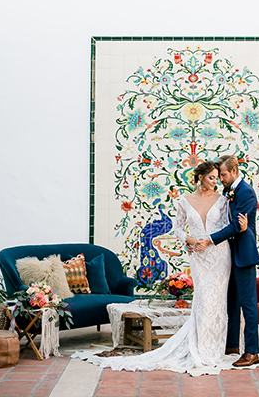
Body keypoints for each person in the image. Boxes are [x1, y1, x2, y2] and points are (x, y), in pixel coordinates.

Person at [88, 160, 247, 374]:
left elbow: (228, 226)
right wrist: (192, 242)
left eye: (217, 177)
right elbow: (178, 229)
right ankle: (200, 346)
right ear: (200, 178)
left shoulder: (223, 200)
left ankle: (213, 348)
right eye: (211, 177)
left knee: (216, 302)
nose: (215, 182)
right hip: (198, 257)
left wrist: (224, 234)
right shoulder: (184, 201)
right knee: (203, 301)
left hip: (219, 255)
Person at [195, 155, 259, 367]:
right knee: (230, 301)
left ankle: (252, 351)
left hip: (244, 254)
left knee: (248, 303)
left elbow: (235, 227)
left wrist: (210, 240)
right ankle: (231, 344)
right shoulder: (227, 191)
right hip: (228, 254)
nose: (221, 179)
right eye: (219, 175)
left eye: (223, 174)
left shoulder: (247, 192)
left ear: (234, 171)